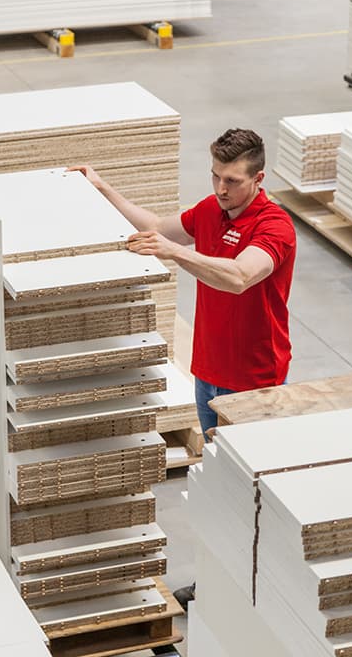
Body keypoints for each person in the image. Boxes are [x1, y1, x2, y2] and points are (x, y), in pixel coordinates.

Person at [70, 127, 296, 608]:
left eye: (232, 180)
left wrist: (173, 253)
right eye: (215, 176)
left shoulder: (274, 226)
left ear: (259, 177)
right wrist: (103, 187)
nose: (220, 189)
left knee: (250, 491)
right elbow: (154, 223)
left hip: (253, 381)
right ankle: (218, 581)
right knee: (216, 486)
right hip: (209, 370)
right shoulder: (212, 210)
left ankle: (257, 591)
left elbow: (238, 277)